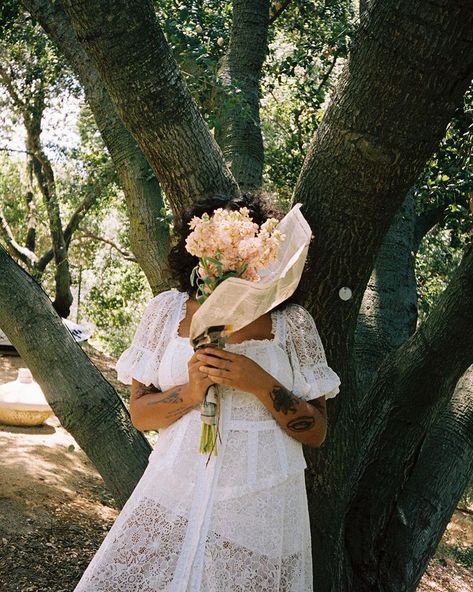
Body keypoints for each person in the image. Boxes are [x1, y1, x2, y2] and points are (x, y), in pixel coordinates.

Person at [73, 191, 341, 592]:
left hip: (261, 503)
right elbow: (141, 415)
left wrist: (259, 383)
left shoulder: (292, 324)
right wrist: (191, 392)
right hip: (176, 489)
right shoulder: (167, 311)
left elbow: (316, 431)